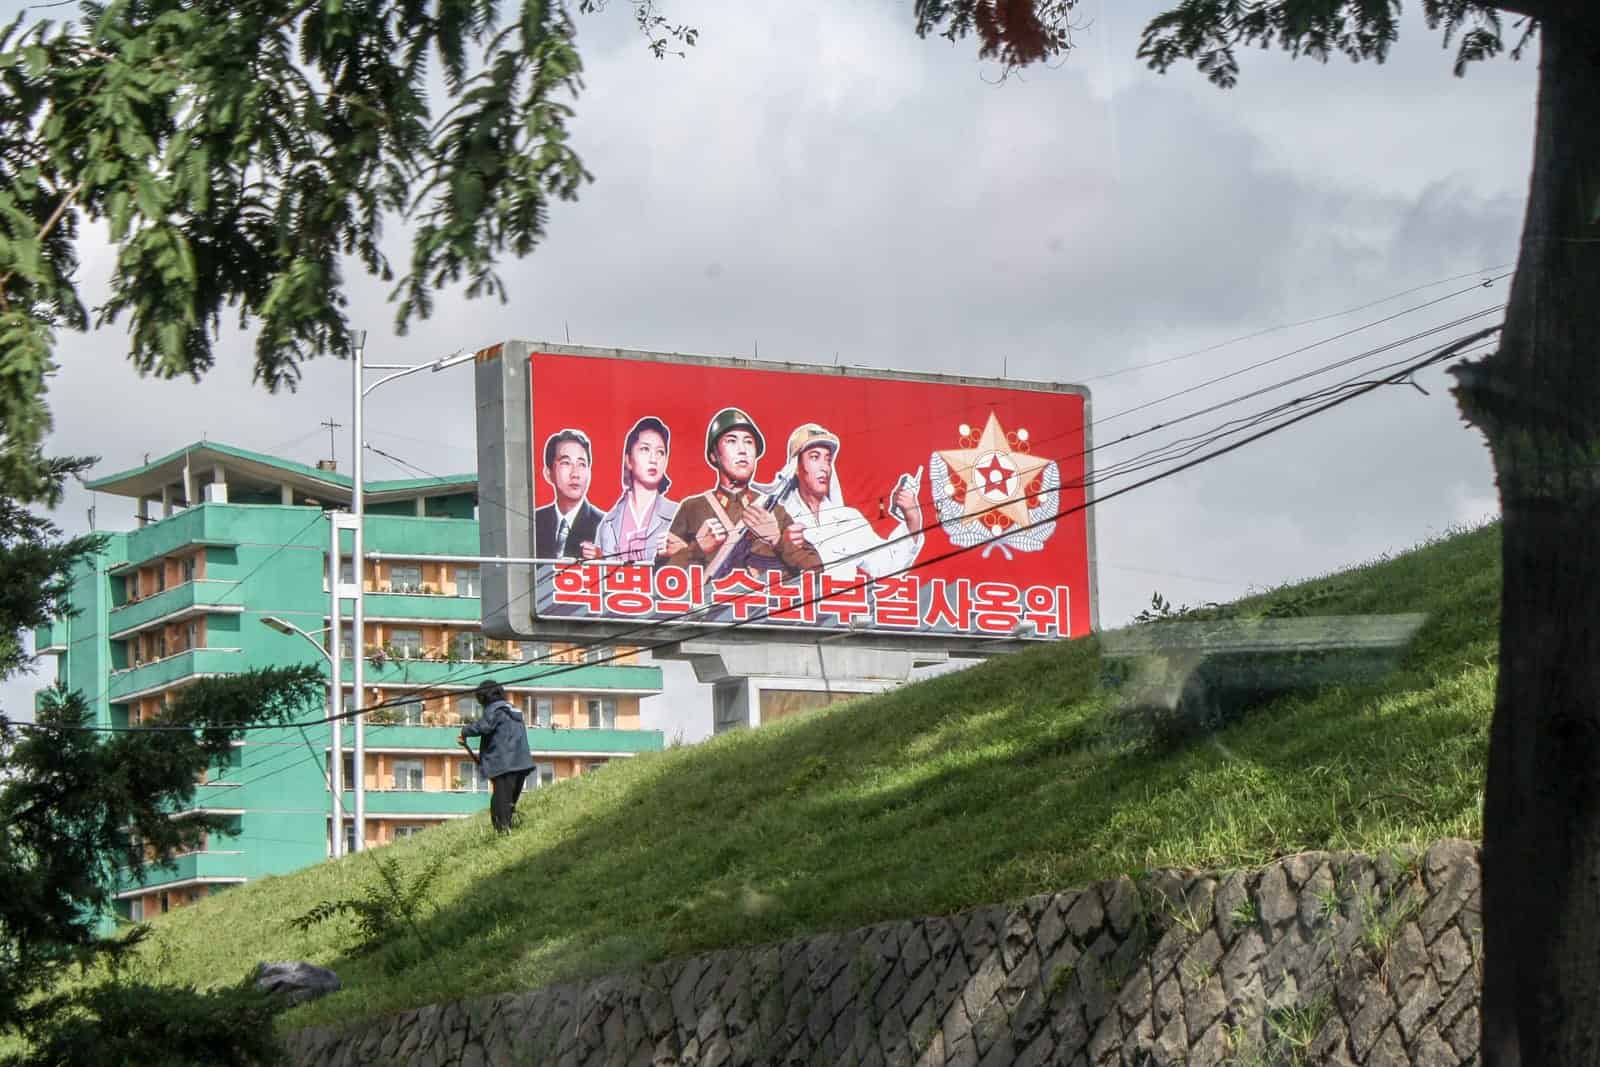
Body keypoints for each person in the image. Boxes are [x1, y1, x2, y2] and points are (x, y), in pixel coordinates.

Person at [662, 407, 821, 577]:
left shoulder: (774, 511)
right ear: (714, 455)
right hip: (711, 603)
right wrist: (697, 549)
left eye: (748, 442)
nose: (743, 450)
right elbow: (660, 581)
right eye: (731, 441)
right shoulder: (693, 509)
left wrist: (777, 539)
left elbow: (816, 571)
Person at [777, 423, 925, 580]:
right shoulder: (778, 517)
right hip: (795, 604)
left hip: (843, 603)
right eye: (814, 457)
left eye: (828, 459)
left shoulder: (848, 519)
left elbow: (888, 566)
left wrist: (912, 520)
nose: (824, 467)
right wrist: (782, 545)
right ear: (795, 466)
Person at [597, 416, 687, 563]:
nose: (654, 459)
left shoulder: (679, 515)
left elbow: (700, 574)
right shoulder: (608, 523)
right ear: (628, 460)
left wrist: (684, 551)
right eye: (645, 449)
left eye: (660, 452)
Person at [458, 680, 535, 834]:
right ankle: (508, 827)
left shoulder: (494, 710)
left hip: (504, 763)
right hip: (521, 762)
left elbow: (484, 726)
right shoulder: (512, 710)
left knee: (500, 800)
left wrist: (465, 731)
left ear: (484, 697)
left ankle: (502, 830)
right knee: (510, 800)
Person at [533, 429, 603, 560]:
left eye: (582, 464)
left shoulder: (605, 524)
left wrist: (604, 558)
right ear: (548, 473)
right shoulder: (534, 522)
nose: (575, 474)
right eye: (566, 463)